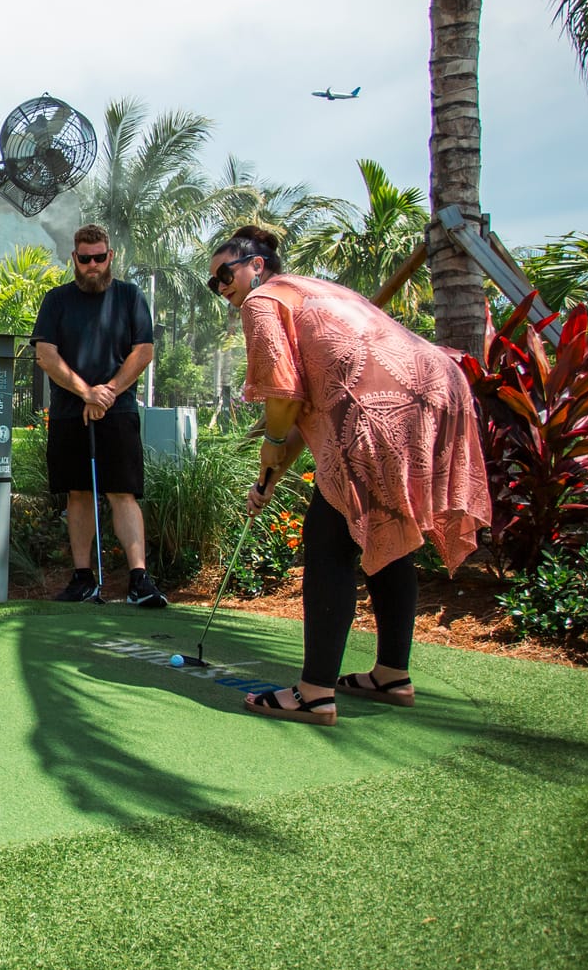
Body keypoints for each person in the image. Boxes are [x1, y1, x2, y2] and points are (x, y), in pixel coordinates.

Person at [209, 225, 491, 725]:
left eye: (225, 273)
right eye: (214, 282)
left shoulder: (263, 301)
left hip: (378, 406)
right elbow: (302, 411)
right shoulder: (313, 289)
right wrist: (270, 475)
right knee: (386, 529)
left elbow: (282, 396)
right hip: (435, 388)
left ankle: (315, 692)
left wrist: (271, 447)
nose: (222, 286)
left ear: (257, 265)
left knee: (328, 541)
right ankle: (390, 674)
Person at [31, 223, 166, 608]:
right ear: (74, 258)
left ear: (110, 256)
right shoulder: (56, 300)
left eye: (100, 257)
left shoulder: (129, 296)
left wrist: (106, 393)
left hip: (118, 410)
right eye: (85, 258)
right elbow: (46, 355)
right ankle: (83, 578)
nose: (93, 265)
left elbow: (143, 351)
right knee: (78, 493)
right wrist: (86, 392)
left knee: (122, 492)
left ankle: (139, 580)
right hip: (70, 412)